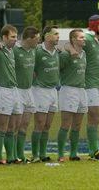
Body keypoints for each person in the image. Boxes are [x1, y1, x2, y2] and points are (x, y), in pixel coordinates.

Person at [31, 25, 60, 162]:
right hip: (40, 91)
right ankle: (35, 155)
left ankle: (43, 154)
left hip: (53, 91)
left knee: (48, 125)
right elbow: (31, 69)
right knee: (40, 123)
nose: (58, 37)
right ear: (47, 36)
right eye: (55, 34)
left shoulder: (57, 52)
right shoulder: (37, 51)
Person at [57, 29, 88, 162]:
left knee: (77, 125)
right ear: (73, 40)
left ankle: (73, 153)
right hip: (69, 90)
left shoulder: (84, 53)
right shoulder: (65, 55)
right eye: (81, 37)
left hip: (82, 90)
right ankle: (60, 154)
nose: (84, 39)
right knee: (66, 123)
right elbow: (58, 70)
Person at [0, 24, 22, 165]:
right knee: (2, 127)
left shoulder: (12, 51)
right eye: (12, 37)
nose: (15, 40)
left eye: (16, 37)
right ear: (4, 37)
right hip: (2, 90)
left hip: (14, 90)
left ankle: (11, 157)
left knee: (13, 126)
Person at [82, 15, 99, 161]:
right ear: (94, 25)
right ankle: (95, 150)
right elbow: (70, 44)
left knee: (96, 118)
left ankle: (93, 151)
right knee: (94, 116)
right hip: (90, 84)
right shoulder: (86, 38)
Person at [14, 26, 40, 162]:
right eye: (37, 39)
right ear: (29, 38)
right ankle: (13, 155)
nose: (38, 41)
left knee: (25, 124)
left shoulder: (34, 51)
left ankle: (21, 154)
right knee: (15, 125)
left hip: (29, 90)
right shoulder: (15, 50)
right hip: (16, 91)